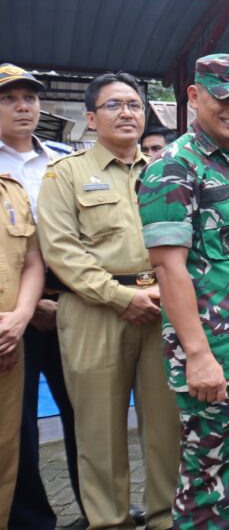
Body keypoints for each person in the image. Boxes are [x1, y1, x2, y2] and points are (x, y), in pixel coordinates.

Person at [137, 54, 229, 528]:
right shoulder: (174, 168)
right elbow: (168, 269)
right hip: (217, 359)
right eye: (225, 98)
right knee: (212, 490)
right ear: (195, 96)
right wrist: (199, 356)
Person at [37, 72, 180, 530]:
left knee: (167, 428)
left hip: (162, 308)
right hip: (94, 311)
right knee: (99, 433)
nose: (127, 113)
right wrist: (120, 297)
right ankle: (109, 522)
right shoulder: (66, 174)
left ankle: (164, 518)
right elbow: (61, 252)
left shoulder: (165, 170)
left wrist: (162, 292)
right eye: (114, 105)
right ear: (92, 118)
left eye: (135, 105)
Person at [0, 64, 86, 530]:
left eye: (29, 97)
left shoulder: (64, 160)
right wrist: (27, 310)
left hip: (75, 301)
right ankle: (31, 518)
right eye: (9, 98)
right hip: (13, 313)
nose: (23, 106)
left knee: (87, 414)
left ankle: (97, 505)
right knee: (18, 427)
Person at [0, 142, 45, 528]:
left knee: (7, 449)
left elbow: (32, 260)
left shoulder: (11, 189)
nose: (22, 106)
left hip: (10, 340)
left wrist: (21, 316)